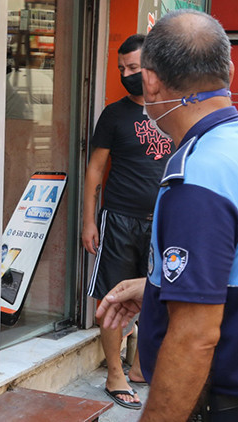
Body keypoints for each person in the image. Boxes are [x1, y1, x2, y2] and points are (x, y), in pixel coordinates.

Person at [97, 9, 238, 421]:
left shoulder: (197, 177)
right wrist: (157, 288)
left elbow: (194, 338)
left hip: (222, 407)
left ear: (150, 81)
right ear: (229, 71)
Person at [81, 33, 173, 410]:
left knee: (156, 295)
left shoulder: (171, 111)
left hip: (164, 222)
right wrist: (89, 221)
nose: (126, 75)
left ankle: (139, 367)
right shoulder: (114, 115)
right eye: (121, 68)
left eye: (133, 67)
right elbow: (95, 170)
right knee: (113, 297)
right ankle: (114, 374)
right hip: (119, 219)